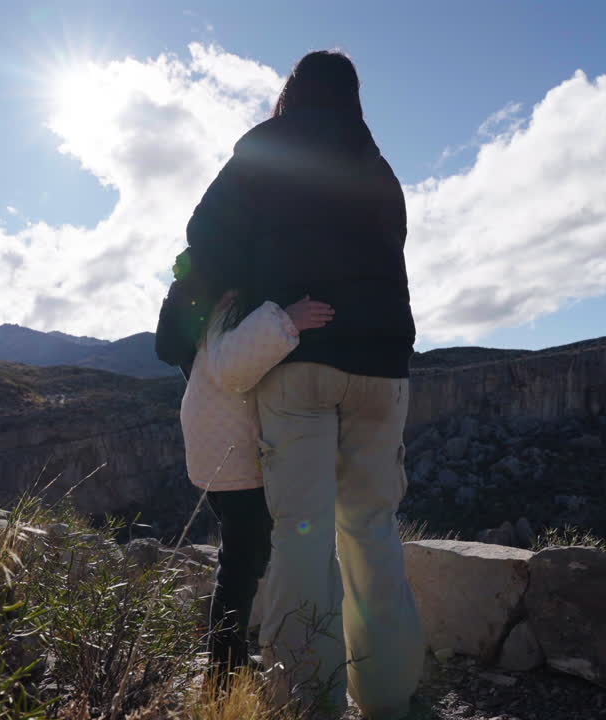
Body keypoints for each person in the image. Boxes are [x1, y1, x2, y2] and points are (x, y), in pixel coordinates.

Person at [182, 50, 423, 719]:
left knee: (301, 537)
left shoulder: (264, 151)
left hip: (302, 362)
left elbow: (204, 238)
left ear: (292, 93)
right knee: (373, 531)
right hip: (384, 368)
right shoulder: (380, 171)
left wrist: (257, 288)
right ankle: (390, 700)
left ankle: (305, 704)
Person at [178, 283, 334, 687]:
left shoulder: (215, 303)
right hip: (231, 452)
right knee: (241, 565)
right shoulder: (230, 302)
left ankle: (227, 662)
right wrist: (287, 320)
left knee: (242, 559)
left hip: (218, 447)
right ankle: (224, 672)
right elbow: (234, 368)